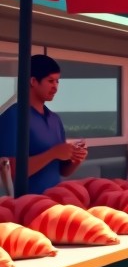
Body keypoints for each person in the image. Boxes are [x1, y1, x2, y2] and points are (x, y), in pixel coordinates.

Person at [0, 54, 87, 192]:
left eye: (57, 81)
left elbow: (62, 171)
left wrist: (75, 159)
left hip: (54, 201)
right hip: (27, 205)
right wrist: (52, 153)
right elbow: (8, 170)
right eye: (50, 81)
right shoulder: (13, 116)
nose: (55, 87)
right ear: (33, 81)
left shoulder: (55, 119)